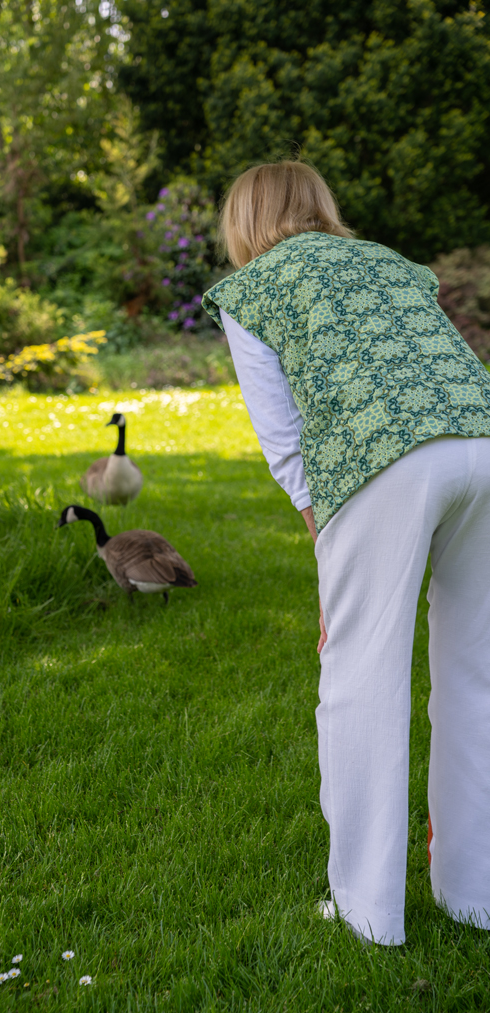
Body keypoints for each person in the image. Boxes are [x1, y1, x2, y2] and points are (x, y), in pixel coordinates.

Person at [202, 160, 490, 946]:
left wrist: (324, 546)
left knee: (360, 679)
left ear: (244, 223)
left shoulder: (251, 288)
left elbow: (284, 441)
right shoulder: (392, 262)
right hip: (483, 443)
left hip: (384, 458)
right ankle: (473, 894)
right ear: (320, 206)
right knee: (474, 675)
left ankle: (369, 912)